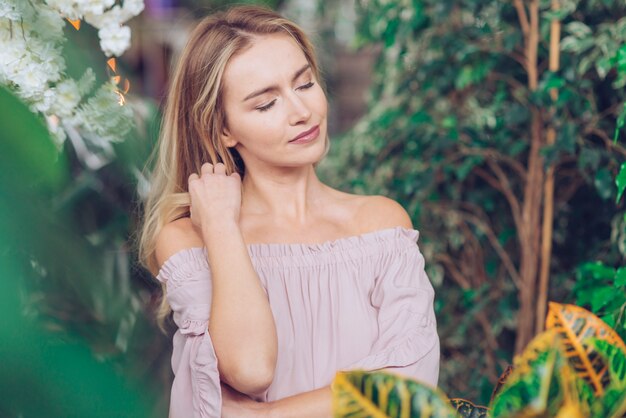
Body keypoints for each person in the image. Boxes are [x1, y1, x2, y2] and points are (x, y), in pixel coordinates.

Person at [138, 5, 439, 418]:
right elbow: (251, 369)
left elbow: (408, 386)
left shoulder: (381, 226)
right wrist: (223, 227)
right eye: (266, 104)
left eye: (305, 84)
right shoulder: (189, 240)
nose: (302, 112)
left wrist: (266, 415)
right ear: (222, 129)